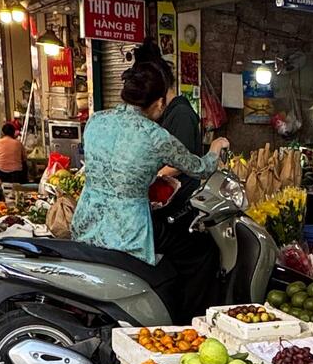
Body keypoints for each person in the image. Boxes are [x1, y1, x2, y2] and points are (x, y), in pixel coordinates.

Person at [72, 60, 228, 267]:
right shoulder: (155, 136)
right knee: (201, 248)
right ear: (160, 102)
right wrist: (215, 147)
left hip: (86, 222)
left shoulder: (95, 121)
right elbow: (201, 169)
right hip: (126, 232)